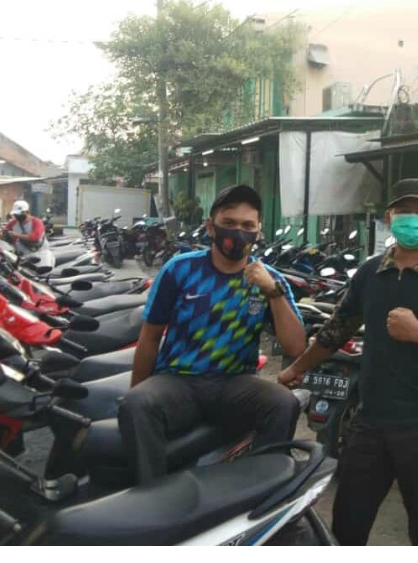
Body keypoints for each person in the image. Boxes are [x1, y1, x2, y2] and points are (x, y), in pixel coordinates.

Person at [278, 178, 418, 546]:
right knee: (347, 524)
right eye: (404, 210)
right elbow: (336, 329)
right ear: (389, 217)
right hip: (370, 424)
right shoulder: (370, 272)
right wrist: (298, 367)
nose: (413, 218)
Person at [118, 184, 306, 485]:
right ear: (210, 226)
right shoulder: (180, 269)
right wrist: (138, 392)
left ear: (258, 232)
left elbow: (295, 346)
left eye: (248, 226)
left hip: (235, 383)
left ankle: (261, 489)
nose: (238, 232)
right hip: (178, 381)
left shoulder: (271, 280)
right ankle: (151, 497)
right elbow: (150, 337)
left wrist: (272, 291)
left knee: (284, 403)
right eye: (229, 223)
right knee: (135, 404)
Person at [0, 200, 53, 268]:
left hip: (41, 255)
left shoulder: (37, 222)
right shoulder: (13, 223)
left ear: (27, 212)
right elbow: (3, 232)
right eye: (16, 214)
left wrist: (16, 235)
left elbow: (34, 237)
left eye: (19, 214)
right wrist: (1, 235)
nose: (17, 216)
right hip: (24, 258)